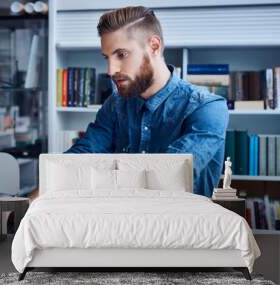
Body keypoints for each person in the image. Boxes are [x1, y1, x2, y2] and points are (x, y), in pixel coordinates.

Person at [29, 6, 228, 200]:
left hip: (183, 229)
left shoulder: (207, 107)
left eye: (121, 55)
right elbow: (84, 154)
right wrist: (30, 202)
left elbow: (168, 176)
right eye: (107, 57)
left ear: (154, 46)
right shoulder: (115, 104)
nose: (110, 70)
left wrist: (103, 173)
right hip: (120, 224)